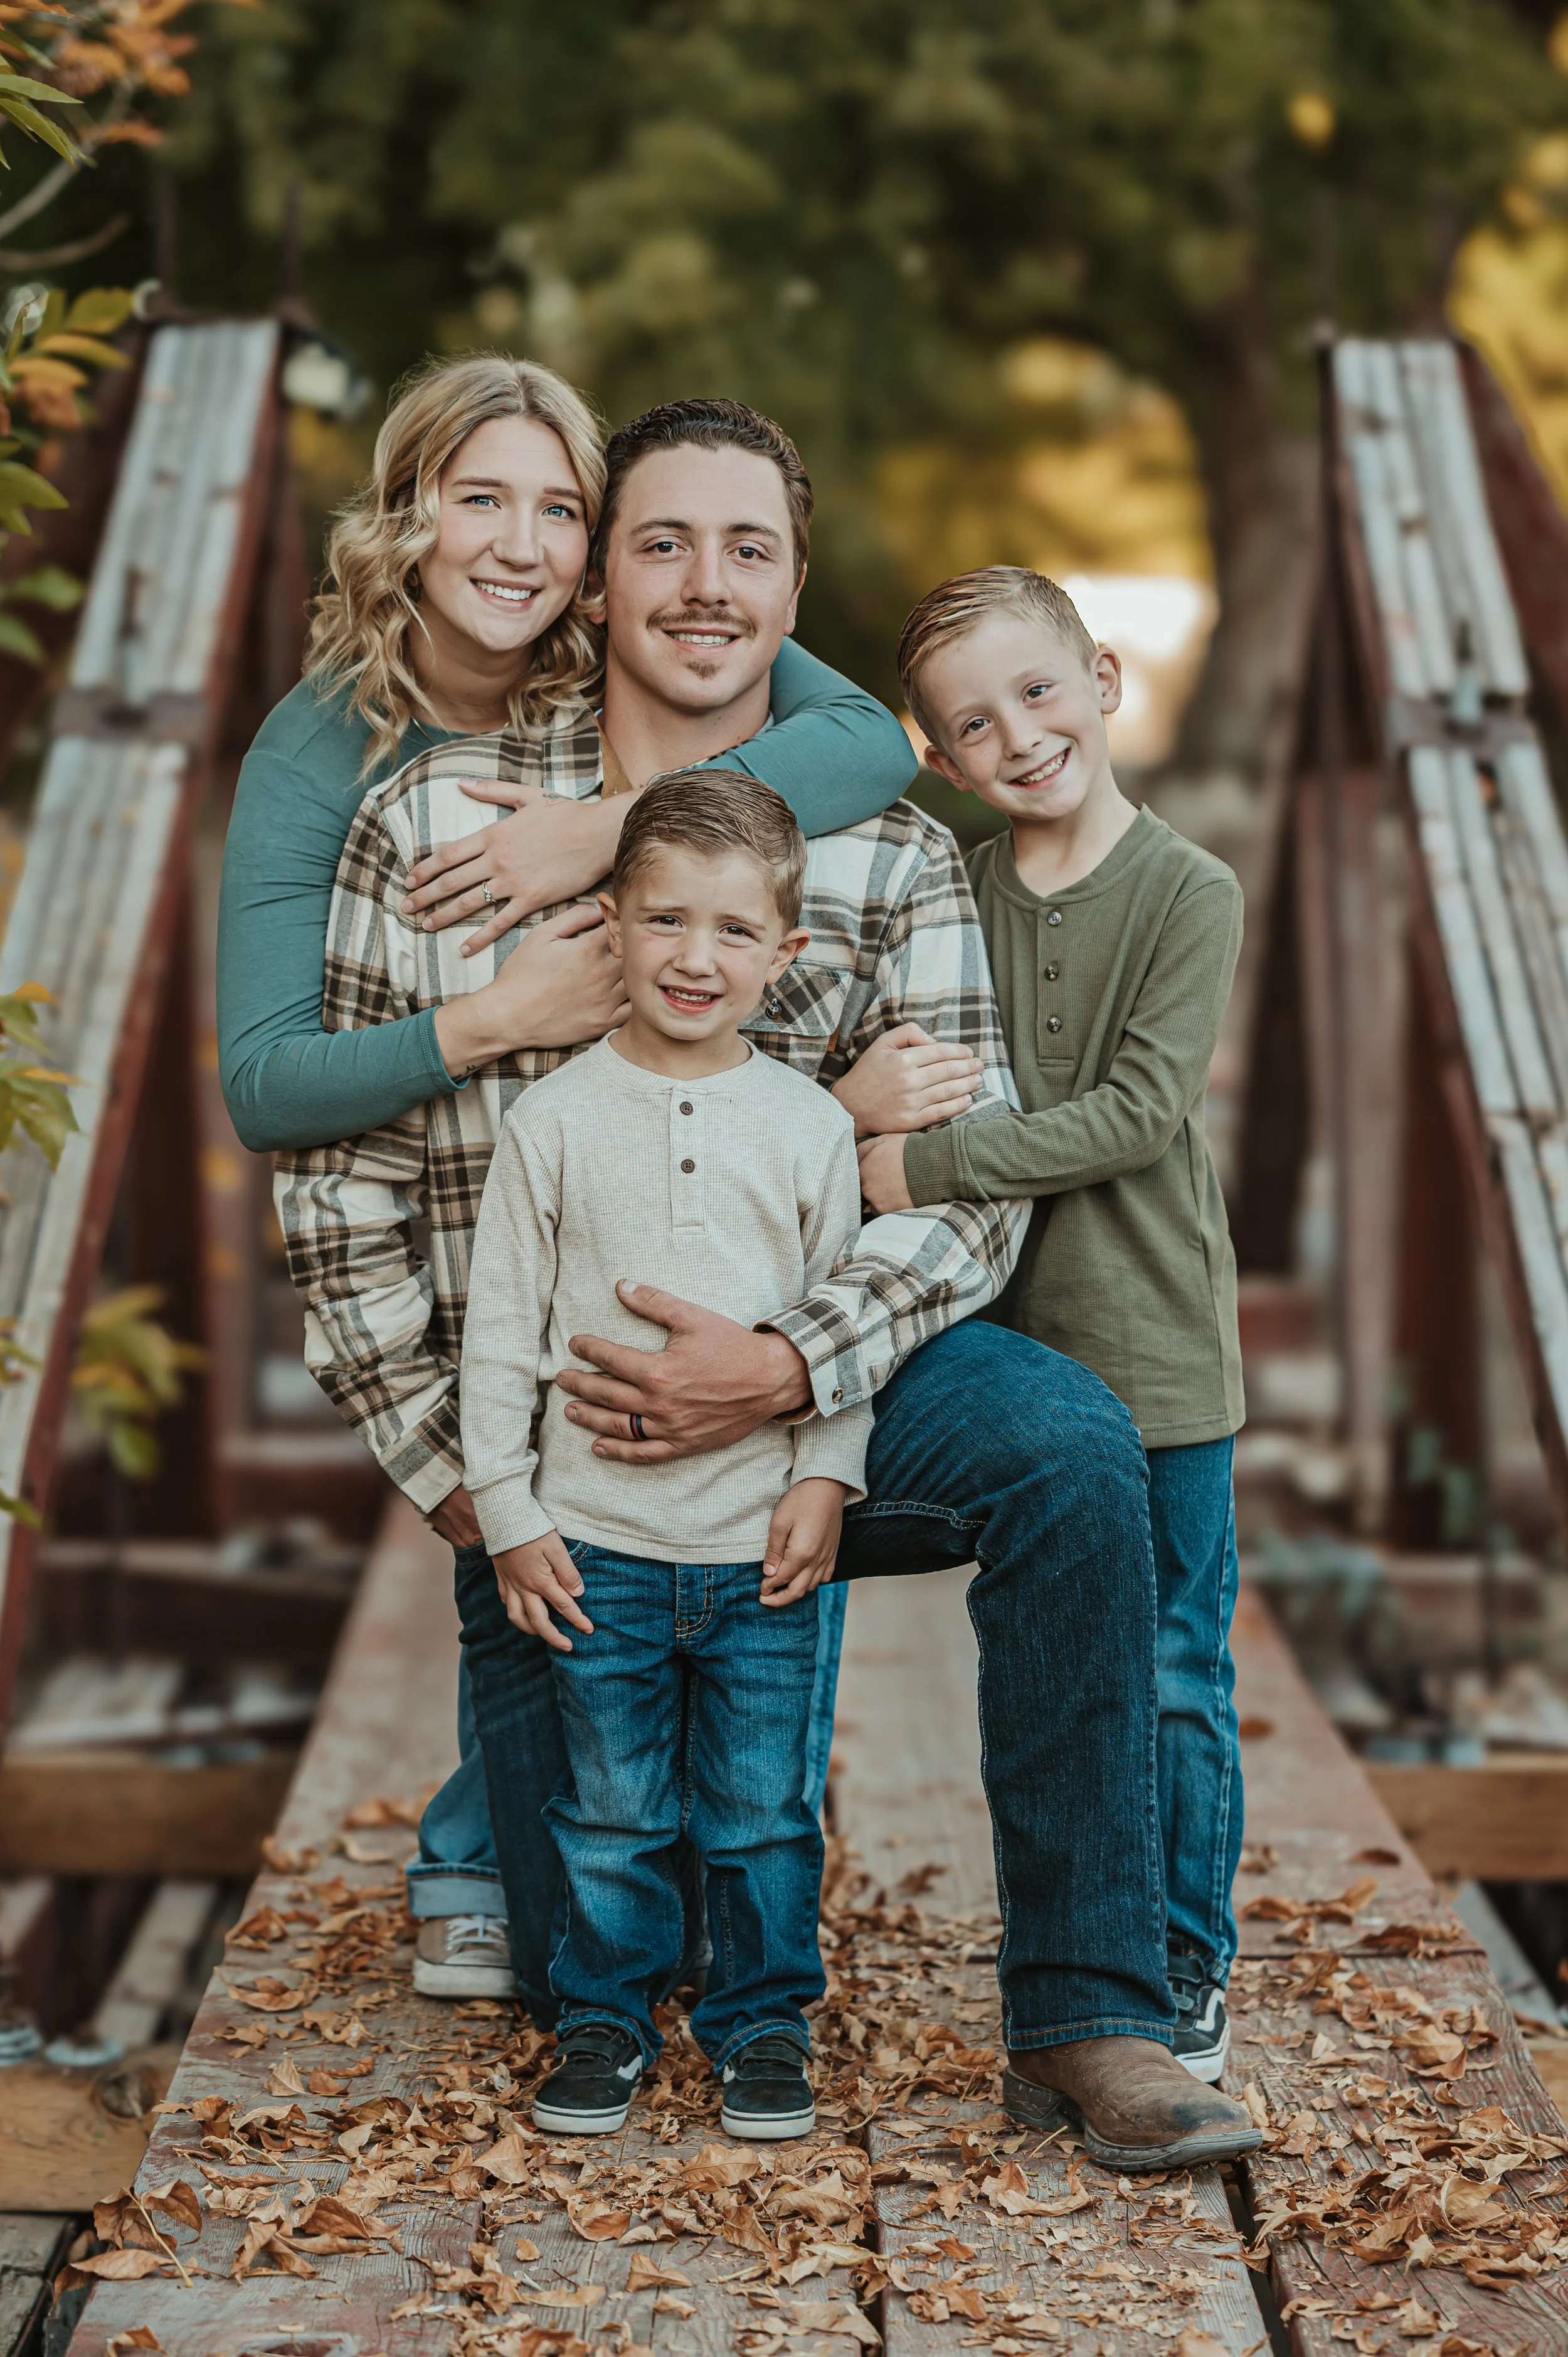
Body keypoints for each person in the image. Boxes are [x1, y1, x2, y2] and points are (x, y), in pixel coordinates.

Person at [275, 390, 1260, 2171]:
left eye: (748, 547)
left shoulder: (887, 847)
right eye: (659, 541)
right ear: (597, 580)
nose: (704, 583)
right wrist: (471, 1485)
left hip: (825, 1402)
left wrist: (790, 1372)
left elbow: (962, 1206)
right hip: (555, 1441)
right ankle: (567, 1899)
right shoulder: (445, 812)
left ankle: (1095, 2006)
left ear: (794, 579)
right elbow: (335, 1193)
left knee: (1068, 1444)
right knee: (583, 1983)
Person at [218, 352, 922, 1997]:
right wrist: (501, 1011)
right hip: (482, 1280)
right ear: (403, 517)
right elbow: (270, 1086)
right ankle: (490, 1822)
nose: (526, 546)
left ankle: (539, 1819)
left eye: (561, 509)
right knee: (585, 1896)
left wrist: (601, 828)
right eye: (480, 500)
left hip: (667, 1292)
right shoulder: (338, 748)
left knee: (695, 1868)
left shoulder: (611, 658)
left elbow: (866, 744)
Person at [857, 566, 1246, 2084]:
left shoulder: (1184, 891)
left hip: (1150, 1346)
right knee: (1064, 1664)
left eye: (1036, 692)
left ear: (1099, 678)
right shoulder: (944, 887)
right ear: (938, 756)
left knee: (1171, 1665)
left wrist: (919, 1160)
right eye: (973, 722)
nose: (1017, 736)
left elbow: (1137, 1114)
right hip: (1003, 1350)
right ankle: (1082, 1945)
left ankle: (1181, 1956)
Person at [462, 770, 870, 2139]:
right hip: (598, 1548)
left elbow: (836, 1324)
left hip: (758, 1544)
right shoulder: (554, 1119)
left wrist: (826, 1473)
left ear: (784, 953)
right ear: (612, 923)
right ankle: (604, 2019)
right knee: (615, 1808)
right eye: (665, 922)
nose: (696, 958)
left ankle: (762, 2028)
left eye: (733, 931)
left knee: (762, 1810)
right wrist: (512, 1513)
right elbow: (501, 1331)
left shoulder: (810, 1125)